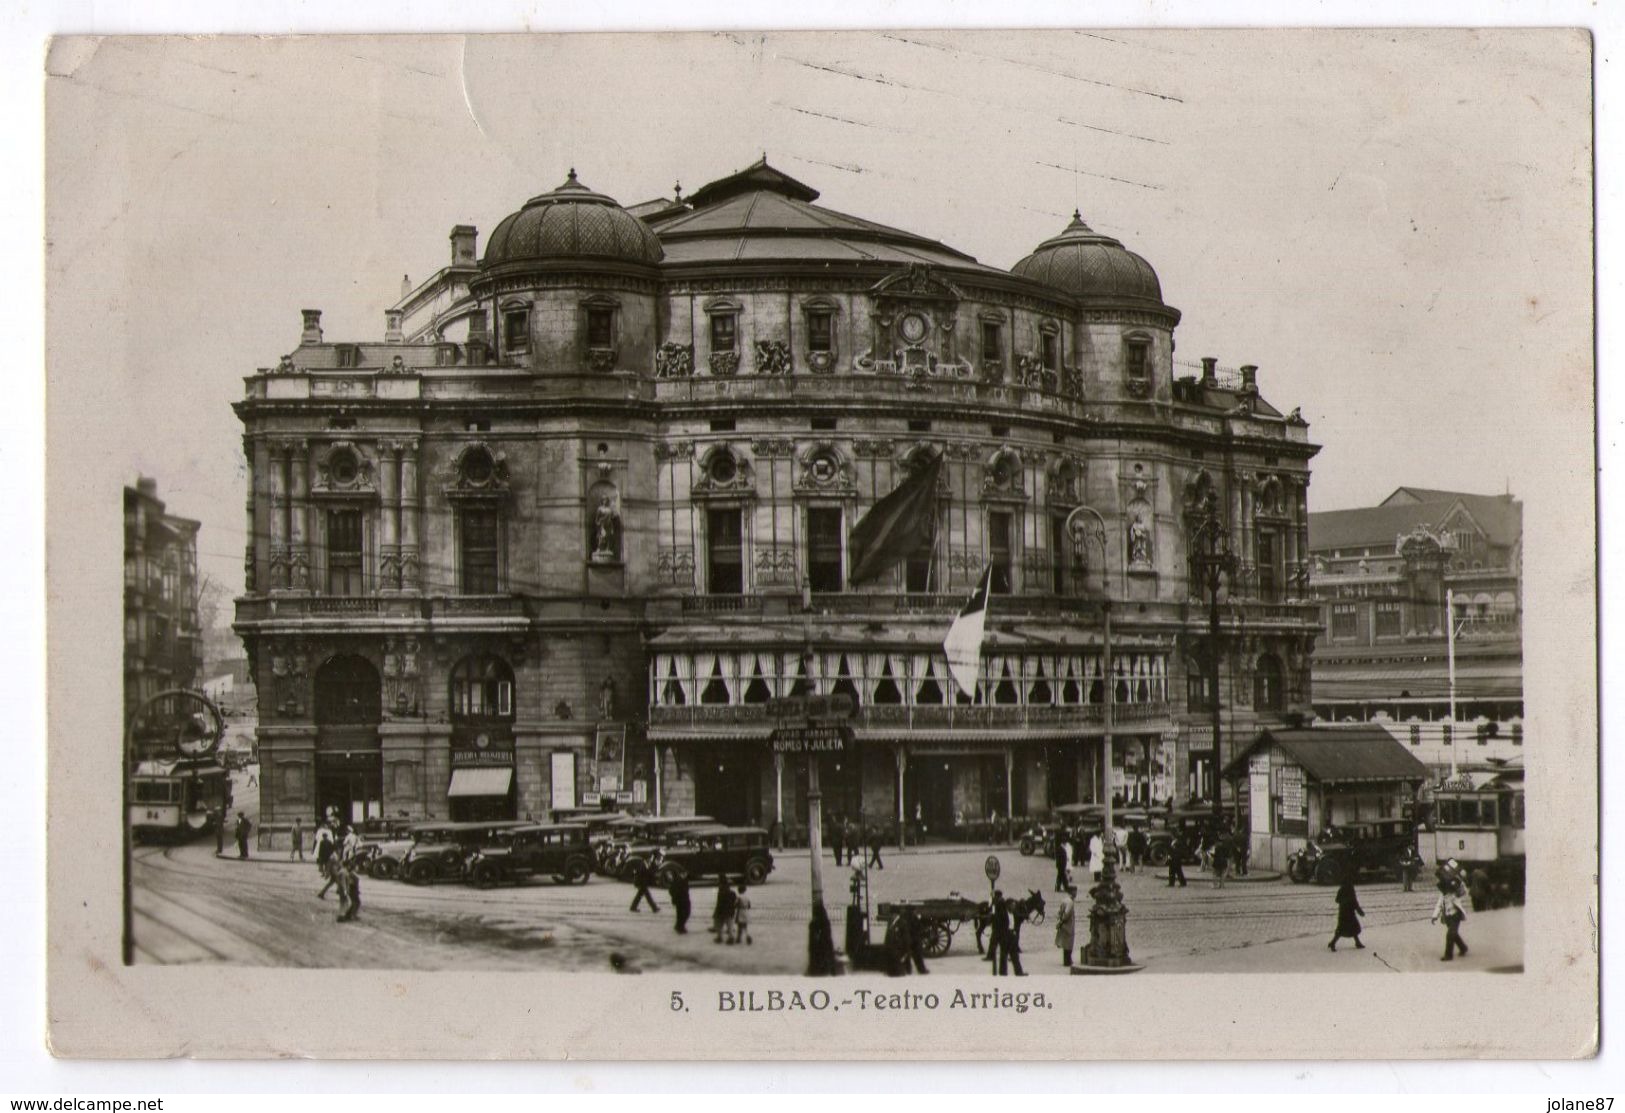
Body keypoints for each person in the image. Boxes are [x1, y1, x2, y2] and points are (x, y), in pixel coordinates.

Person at [1432, 880, 1470, 961]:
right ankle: (1463, 947)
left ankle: (1448, 955)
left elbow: (1463, 891)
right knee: (1454, 934)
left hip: (1456, 915)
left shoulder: (1455, 894)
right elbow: (1438, 906)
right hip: (1447, 917)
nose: (1443, 891)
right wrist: (1434, 916)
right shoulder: (1442, 896)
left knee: (1450, 934)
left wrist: (1459, 882)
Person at [1328, 879, 1365, 950]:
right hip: (1350, 914)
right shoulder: (1351, 890)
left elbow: (1337, 900)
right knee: (1353, 928)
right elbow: (1355, 903)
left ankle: (1333, 942)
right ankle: (1333, 943)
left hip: (1342, 912)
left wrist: (1343, 902)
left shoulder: (1341, 889)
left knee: (1341, 929)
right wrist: (1360, 912)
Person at [336, 824, 362, 923]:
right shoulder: (355, 836)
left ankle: (346, 915)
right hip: (352, 852)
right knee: (345, 903)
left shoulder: (348, 837)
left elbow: (344, 843)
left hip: (348, 851)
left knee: (345, 903)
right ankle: (343, 916)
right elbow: (360, 845)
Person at [1053, 884, 1078, 968]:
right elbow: (1066, 913)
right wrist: (1062, 921)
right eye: (1075, 891)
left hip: (1064, 925)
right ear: (1072, 892)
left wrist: (1060, 920)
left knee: (1065, 944)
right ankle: (1067, 961)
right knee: (1069, 944)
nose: (1076, 893)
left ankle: (1067, 960)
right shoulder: (1070, 902)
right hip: (1068, 925)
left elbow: (1059, 912)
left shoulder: (1065, 900)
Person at [315, 820, 339, 900]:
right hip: (335, 873)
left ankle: (322, 893)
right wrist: (327, 873)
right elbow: (329, 864)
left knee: (331, 883)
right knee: (341, 883)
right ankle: (342, 893)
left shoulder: (334, 855)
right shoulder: (332, 856)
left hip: (334, 873)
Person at [713, 877, 737, 944]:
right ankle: (731, 938)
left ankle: (720, 937)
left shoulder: (721, 893)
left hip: (722, 911)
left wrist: (716, 912)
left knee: (718, 924)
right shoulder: (733, 893)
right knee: (730, 925)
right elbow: (735, 902)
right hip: (730, 911)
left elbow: (719, 904)